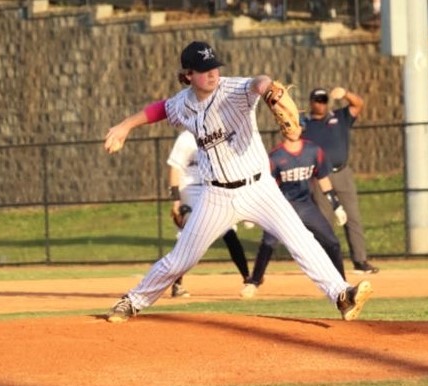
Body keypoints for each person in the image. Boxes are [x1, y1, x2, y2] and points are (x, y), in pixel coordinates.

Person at [103, 41, 372, 323]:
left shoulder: (233, 89)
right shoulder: (183, 103)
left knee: (301, 239)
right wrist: (124, 127)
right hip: (215, 196)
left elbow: (258, 83)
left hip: (259, 189)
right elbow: (159, 109)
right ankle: (132, 301)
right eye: (204, 69)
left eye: (215, 67)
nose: (212, 73)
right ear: (188, 75)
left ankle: (341, 294)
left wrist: (268, 88)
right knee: (182, 259)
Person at [240, 122, 348, 299]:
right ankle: (254, 281)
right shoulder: (275, 157)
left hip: (305, 205)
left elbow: (323, 178)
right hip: (281, 207)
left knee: (332, 242)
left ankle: (342, 285)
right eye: (289, 125)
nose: (293, 129)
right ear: (282, 129)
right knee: (268, 243)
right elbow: (265, 187)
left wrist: (336, 205)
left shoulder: (313, 150)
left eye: (297, 125)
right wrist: (253, 212)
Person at [301, 87, 380, 274]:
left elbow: (358, 104)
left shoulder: (339, 117)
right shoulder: (304, 123)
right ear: (311, 102)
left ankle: (360, 261)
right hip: (319, 177)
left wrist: (345, 94)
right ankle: (327, 264)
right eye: (317, 100)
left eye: (323, 100)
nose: (320, 104)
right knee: (324, 221)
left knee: (352, 218)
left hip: (342, 173)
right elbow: (287, 129)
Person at [167, 129, 250, 297]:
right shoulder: (186, 138)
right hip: (190, 190)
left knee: (229, 231)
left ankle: (249, 279)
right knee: (190, 236)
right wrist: (176, 200)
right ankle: (177, 284)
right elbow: (175, 170)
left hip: (213, 188)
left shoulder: (218, 135)